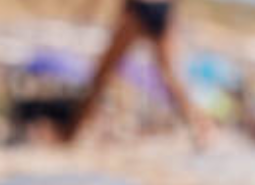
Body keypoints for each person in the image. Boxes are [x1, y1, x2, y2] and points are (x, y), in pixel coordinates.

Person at [64, 0, 210, 146]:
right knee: (170, 77)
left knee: (103, 74)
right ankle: (202, 128)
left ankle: (72, 131)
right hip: (160, 10)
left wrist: (88, 13)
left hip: (141, 10)